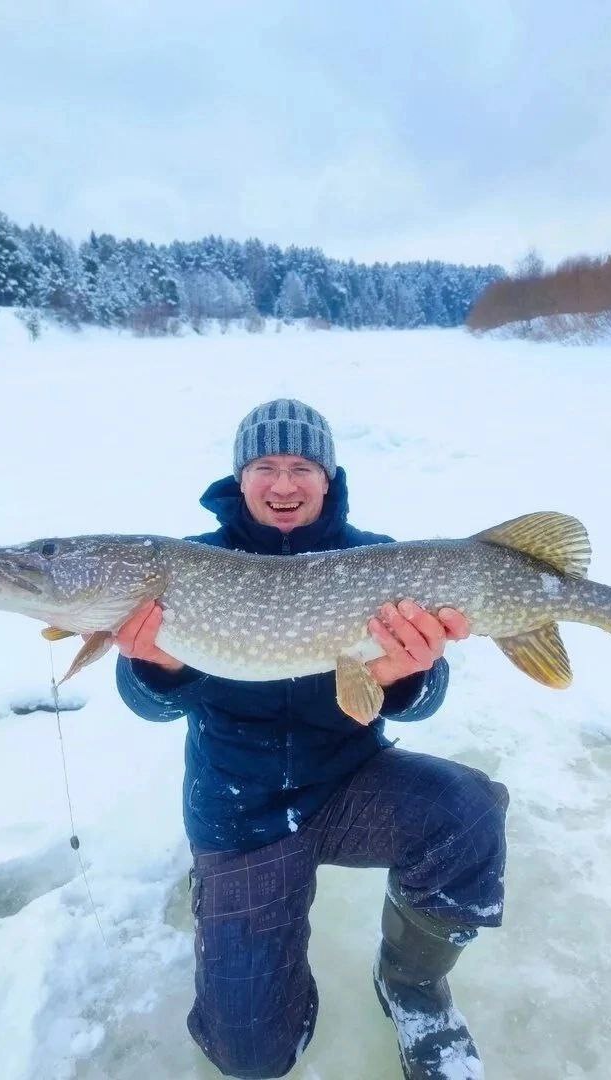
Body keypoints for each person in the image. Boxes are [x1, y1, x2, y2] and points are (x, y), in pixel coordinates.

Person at [115, 400, 509, 1080]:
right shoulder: (186, 567)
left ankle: (411, 985)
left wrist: (400, 677)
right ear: (240, 478)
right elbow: (146, 705)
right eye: (265, 466)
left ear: (329, 478)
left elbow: (427, 698)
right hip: (242, 814)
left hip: (349, 786)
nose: (284, 484)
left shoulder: (376, 559)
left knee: (466, 810)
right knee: (250, 1055)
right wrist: (157, 663)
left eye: (302, 466)